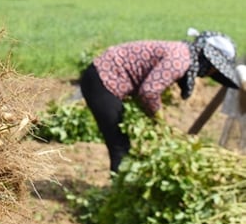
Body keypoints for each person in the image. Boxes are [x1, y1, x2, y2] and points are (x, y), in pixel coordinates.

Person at [79, 29, 241, 173]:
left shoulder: (182, 52)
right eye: (214, 70)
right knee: (119, 146)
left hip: (105, 78)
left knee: (121, 143)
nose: (210, 74)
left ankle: (120, 185)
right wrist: (160, 121)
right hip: (102, 80)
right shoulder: (180, 60)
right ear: (209, 61)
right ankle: (116, 192)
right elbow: (149, 92)